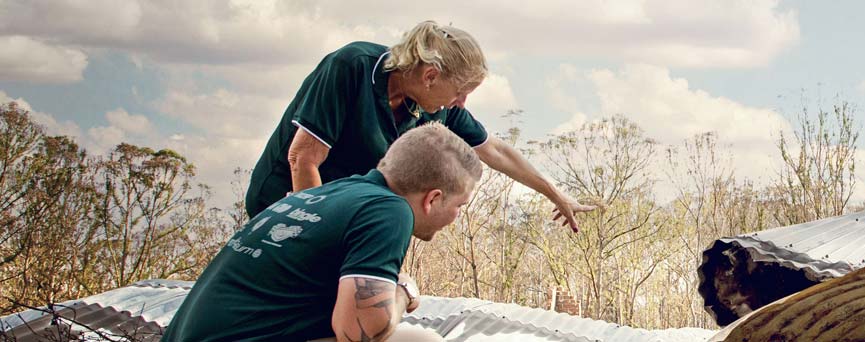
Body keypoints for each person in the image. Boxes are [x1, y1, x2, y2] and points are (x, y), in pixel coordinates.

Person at [244, 20, 594, 231]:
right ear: (430, 75)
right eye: (460, 92)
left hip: (342, 211)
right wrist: (317, 235)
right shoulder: (350, 67)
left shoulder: (433, 106)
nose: (461, 103)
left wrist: (555, 193)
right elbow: (302, 159)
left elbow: (496, 151)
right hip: (286, 202)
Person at [165, 123, 476, 341]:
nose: (457, 216)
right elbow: (358, 333)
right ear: (432, 199)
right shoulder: (389, 211)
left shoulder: (334, 193)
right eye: (459, 205)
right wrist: (403, 292)